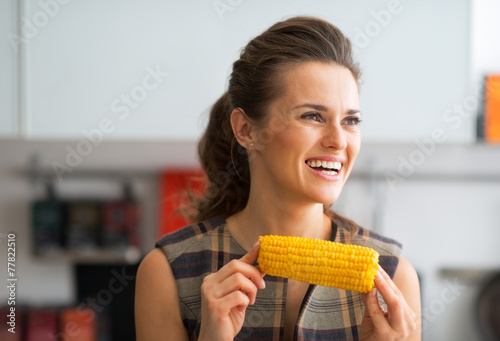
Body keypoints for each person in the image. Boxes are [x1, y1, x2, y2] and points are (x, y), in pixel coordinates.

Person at [135, 16, 421, 340]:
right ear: (246, 129)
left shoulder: (395, 278)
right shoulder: (166, 273)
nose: (339, 141)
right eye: (312, 116)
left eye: (351, 120)